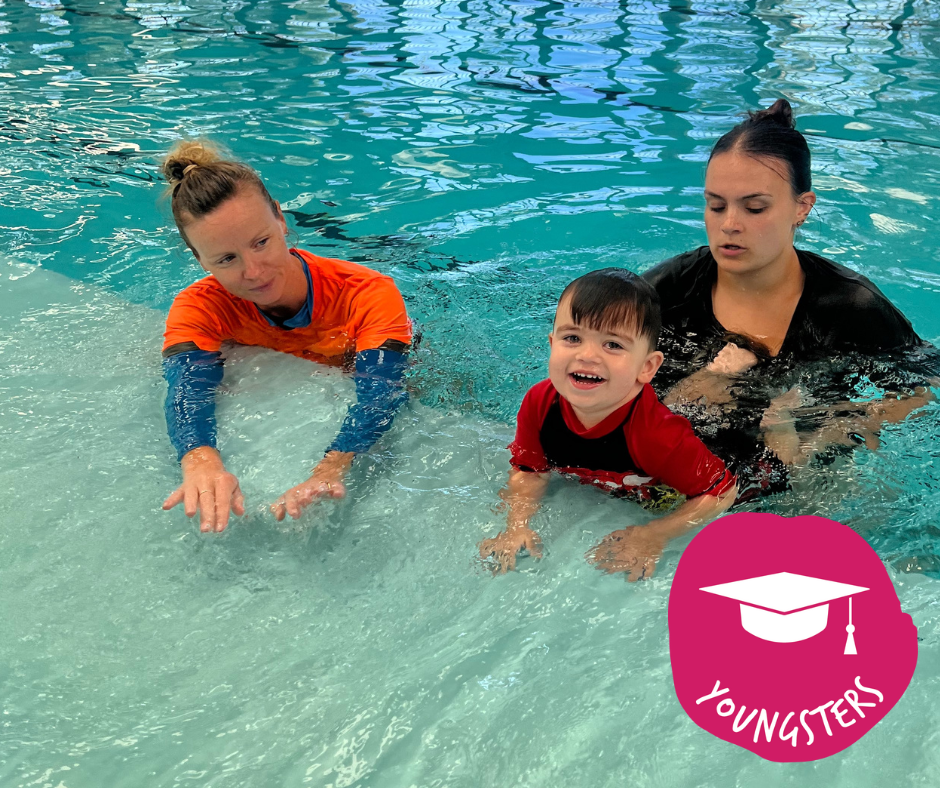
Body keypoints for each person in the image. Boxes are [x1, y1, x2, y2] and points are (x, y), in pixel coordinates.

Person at [642, 98, 932, 487]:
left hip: (804, 480)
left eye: (755, 208)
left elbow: (924, 387)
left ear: (802, 208)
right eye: (715, 206)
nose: (729, 224)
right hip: (677, 477)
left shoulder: (848, 305)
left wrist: (846, 422)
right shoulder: (665, 292)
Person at [159, 141, 412, 533]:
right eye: (226, 259)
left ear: (280, 218)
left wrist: (330, 468)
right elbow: (188, 388)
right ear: (198, 259)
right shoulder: (198, 307)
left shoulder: (367, 292)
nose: (254, 271)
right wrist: (200, 459)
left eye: (261, 242)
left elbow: (381, 391)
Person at [478, 269, 738, 581]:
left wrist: (654, 534)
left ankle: (729, 372)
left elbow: (722, 492)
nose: (587, 355)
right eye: (572, 338)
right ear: (551, 343)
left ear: (647, 366)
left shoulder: (657, 435)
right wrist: (516, 525)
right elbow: (530, 471)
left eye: (612, 344)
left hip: (712, 452)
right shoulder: (539, 404)